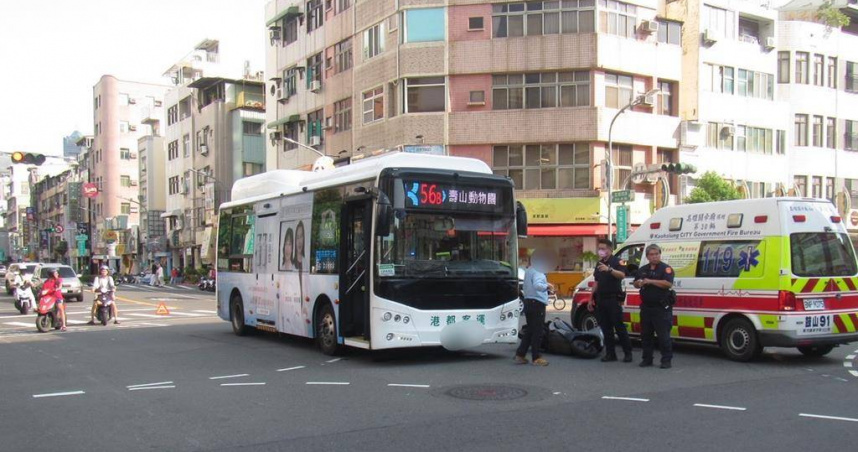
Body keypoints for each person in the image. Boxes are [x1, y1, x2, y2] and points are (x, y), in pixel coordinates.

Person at [589, 239, 633, 363]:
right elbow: (596, 281)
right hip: (601, 299)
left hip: (613, 299)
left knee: (619, 327)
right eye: (599, 248)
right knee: (606, 328)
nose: (601, 251)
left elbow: (622, 275)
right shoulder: (599, 263)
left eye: (603, 248)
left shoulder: (618, 261)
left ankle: (628, 353)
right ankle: (610, 354)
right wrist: (590, 297)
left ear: (610, 249)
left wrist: (609, 270)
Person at [633, 244, 675, 369]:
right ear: (647, 256)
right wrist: (639, 283)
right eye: (652, 254)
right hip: (646, 307)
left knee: (663, 336)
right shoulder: (642, 269)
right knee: (646, 335)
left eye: (657, 254)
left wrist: (650, 281)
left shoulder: (665, 269)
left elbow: (668, 284)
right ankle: (647, 358)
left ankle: (666, 360)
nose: (655, 256)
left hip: (661, 308)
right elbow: (635, 283)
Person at [515, 249, 554, 366]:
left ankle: (520, 354)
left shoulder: (529, 270)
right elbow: (538, 285)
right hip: (537, 303)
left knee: (530, 330)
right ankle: (536, 357)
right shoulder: (538, 271)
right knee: (537, 331)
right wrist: (547, 286)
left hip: (528, 302)